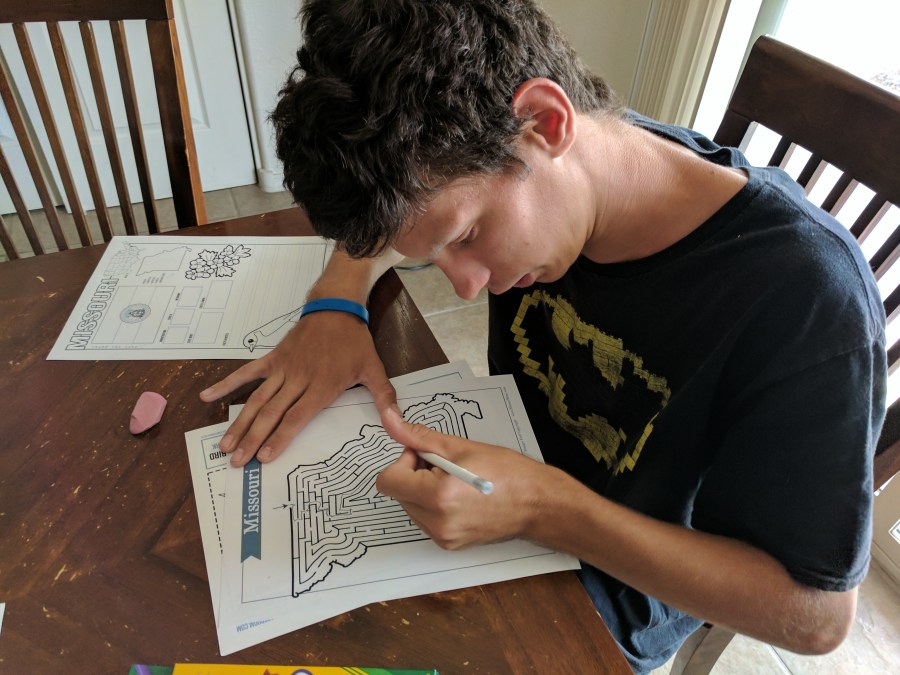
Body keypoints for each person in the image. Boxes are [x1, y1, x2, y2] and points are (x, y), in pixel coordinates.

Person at [199, 1, 887, 671]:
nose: (468, 287)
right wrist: (335, 300)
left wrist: (542, 508)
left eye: (467, 235)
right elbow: (408, 206)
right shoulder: (564, 147)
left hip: (611, 591)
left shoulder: (807, 300)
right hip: (501, 477)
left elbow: (815, 617)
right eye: (435, 256)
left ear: (545, 122)